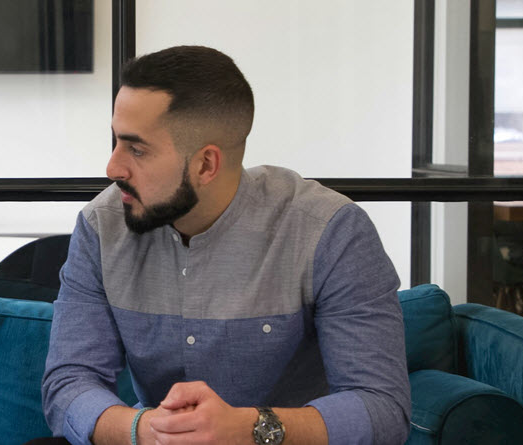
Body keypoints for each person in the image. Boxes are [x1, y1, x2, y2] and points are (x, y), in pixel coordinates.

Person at [39, 46, 410, 445]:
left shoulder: (328, 231)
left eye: (137, 149)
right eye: (116, 141)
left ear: (206, 165)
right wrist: (145, 430)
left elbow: (382, 408)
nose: (112, 168)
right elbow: (68, 382)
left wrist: (247, 429)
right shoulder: (101, 227)